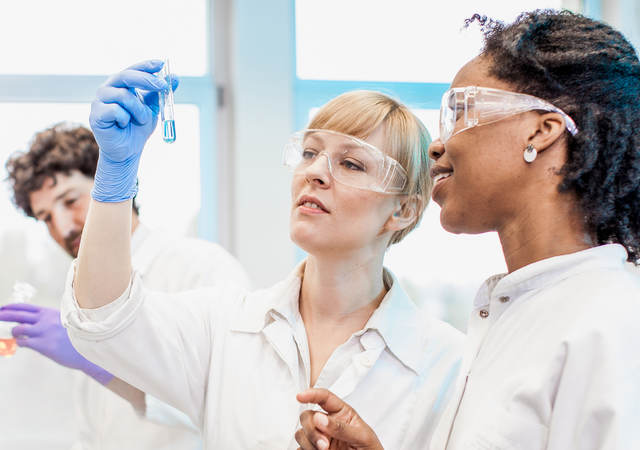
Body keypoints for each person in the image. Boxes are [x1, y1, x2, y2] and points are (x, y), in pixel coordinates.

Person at [60, 62, 464, 449]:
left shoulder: (448, 364)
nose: (315, 172)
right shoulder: (222, 328)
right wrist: (117, 170)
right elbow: (103, 318)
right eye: (309, 153)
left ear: (404, 210)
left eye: (351, 163)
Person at [294, 9, 640, 450]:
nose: (438, 143)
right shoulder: (515, 313)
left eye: (460, 111)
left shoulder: (614, 323)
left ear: (541, 131)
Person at [1, 124, 250, 450]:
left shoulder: (201, 267)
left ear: (113, 186)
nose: (61, 227)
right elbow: (92, 431)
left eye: (70, 200)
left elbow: (233, 404)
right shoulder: (79, 297)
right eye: (46, 217)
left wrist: (98, 360)